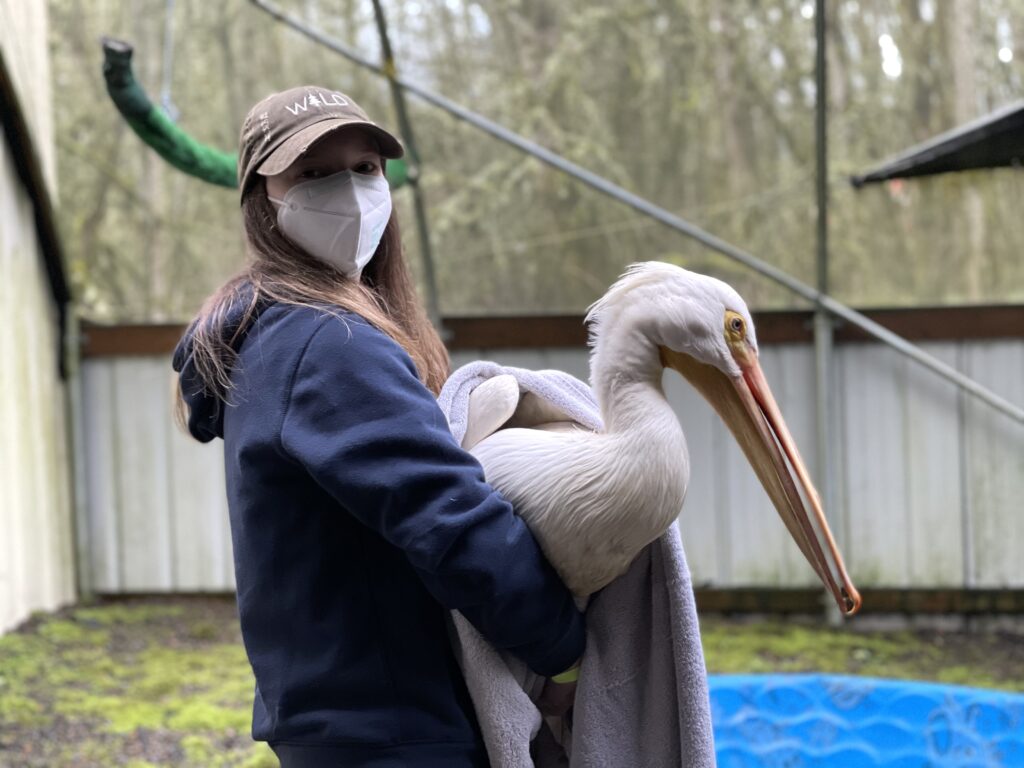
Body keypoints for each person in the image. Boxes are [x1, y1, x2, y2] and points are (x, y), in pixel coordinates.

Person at [172, 85, 584, 767]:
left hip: (335, 724)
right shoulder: (328, 346)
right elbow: (453, 521)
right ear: (261, 201)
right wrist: (565, 645)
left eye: (366, 168)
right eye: (313, 173)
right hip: (396, 733)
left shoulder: (268, 337)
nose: (352, 191)